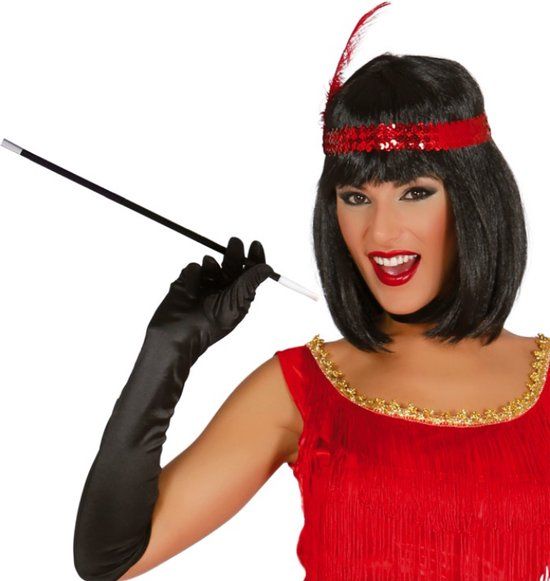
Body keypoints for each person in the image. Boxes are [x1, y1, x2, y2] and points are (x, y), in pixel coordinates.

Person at [73, 9, 550, 581]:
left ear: (475, 199)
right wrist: (167, 353)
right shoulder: (300, 388)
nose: (380, 233)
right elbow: (110, 559)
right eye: (356, 198)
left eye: (415, 192)